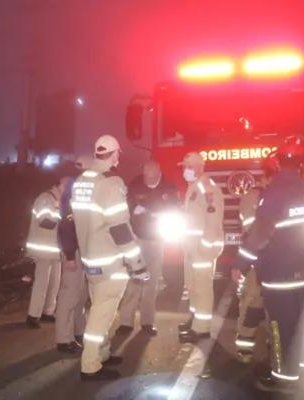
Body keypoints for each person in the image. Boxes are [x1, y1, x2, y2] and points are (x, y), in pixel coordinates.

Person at [231, 136, 304, 394]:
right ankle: (302, 365)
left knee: (278, 325)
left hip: (279, 275)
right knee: (299, 322)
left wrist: (240, 263)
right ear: (301, 163)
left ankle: (282, 378)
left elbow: (259, 236)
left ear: (276, 162)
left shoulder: (273, 193)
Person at [63, 135, 149, 381]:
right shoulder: (111, 183)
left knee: (100, 310)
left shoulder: (82, 180)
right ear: (114, 155)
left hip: (90, 258)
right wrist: (137, 263)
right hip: (110, 261)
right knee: (102, 314)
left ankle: (103, 352)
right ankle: (90, 366)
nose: (118, 157)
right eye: (117, 154)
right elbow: (120, 228)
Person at [117, 160, 179, 336]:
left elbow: (175, 208)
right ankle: (126, 322)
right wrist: (132, 209)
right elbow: (125, 203)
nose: (148, 177)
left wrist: (155, 212)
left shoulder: (169, 187)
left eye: (152, 174)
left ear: (159, 171)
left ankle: (147, 322)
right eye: (146, 173)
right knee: (133, 279)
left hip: (156, 238)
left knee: (152, 281)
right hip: (136, 237)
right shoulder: (135, 184)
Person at [177, 152, 225, 344]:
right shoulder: (194, 187)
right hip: (192, 248)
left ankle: (202, 329)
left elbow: (213, 221)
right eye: (184, 166)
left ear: (200, 168)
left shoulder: (208, 189)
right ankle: (195, 320)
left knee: (203, 288)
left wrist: (206, 247)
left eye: (189, 166)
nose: (185, 170)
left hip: (202, 249)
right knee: (193, 286)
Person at [235, 152, 277, 363]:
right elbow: (252, 232)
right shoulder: (253, 197)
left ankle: (274, 348)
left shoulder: (280, 197)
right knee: (252, 303)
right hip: (258, 261)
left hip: (276, 262)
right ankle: (245, 348)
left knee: (275, 308)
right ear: (265, 177)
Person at [54, 155, 93, 354]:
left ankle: (78, 332)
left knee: (79, 294)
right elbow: (67, 227)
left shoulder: (81, 190)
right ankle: (64, 340)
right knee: (69, 295)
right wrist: (69, 256)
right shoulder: (75, 192)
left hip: (81, 249)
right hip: (73, 250)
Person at [25, 179, 67, 329]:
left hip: (55, 251)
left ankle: (48, 311)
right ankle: (33, 315)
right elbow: (45, 222)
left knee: (54, 282)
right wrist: (65, 219)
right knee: (41, 283)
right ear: (58, 183)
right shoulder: (45, 198)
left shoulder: (59, 200)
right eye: (66, 184)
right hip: (43, 250)